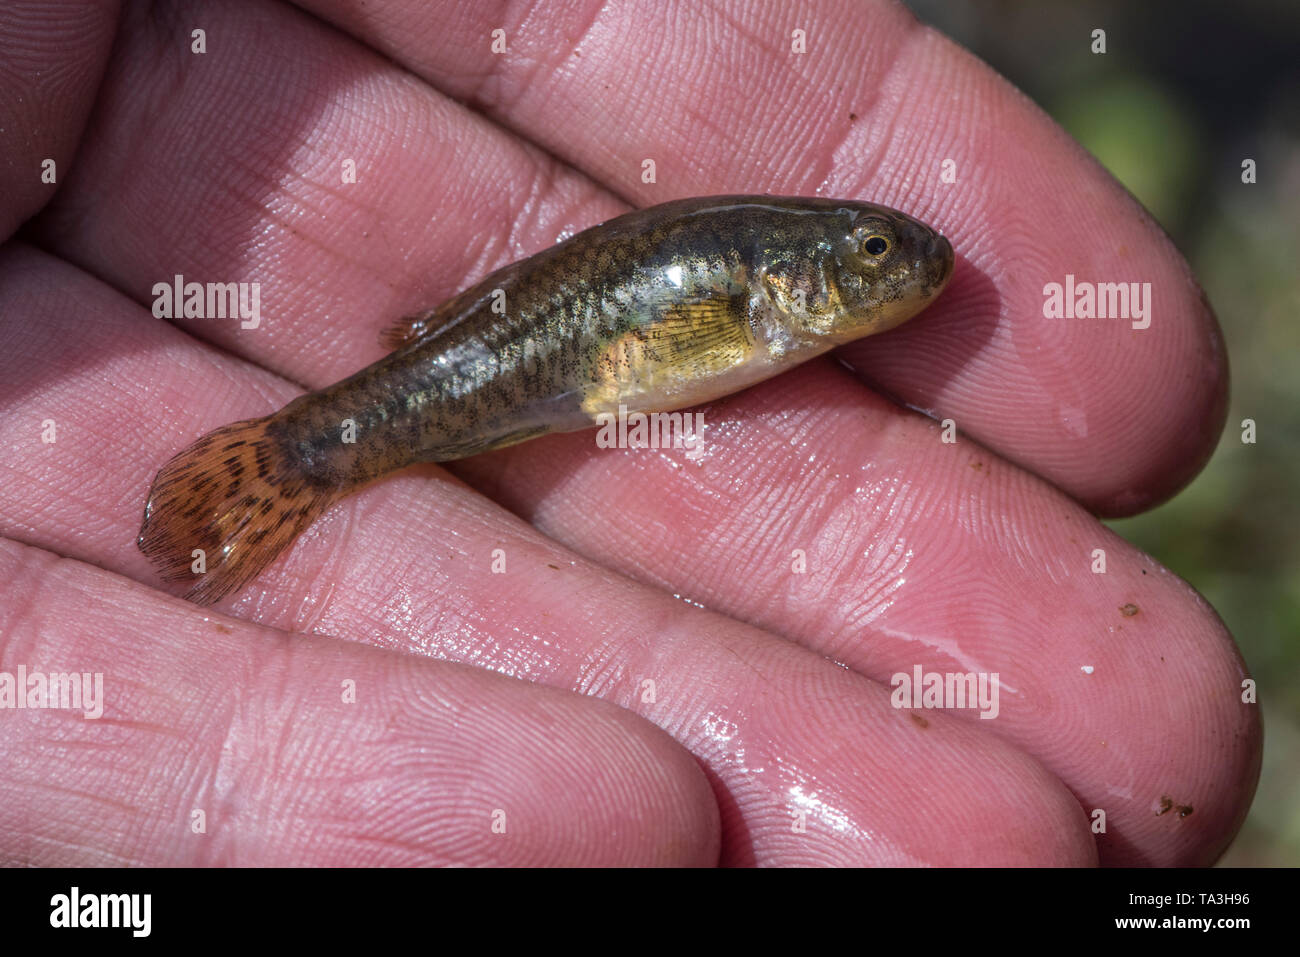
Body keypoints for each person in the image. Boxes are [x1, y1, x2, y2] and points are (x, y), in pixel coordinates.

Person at [0, 0, 1258, 866]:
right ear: (799, 276)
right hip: (503, 369)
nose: (903, 268)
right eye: (871, 257)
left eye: (882, 253)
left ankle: (304, 459)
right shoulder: (753, 285)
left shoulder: (771, 288)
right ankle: (297, 460)